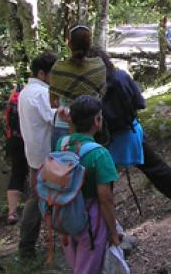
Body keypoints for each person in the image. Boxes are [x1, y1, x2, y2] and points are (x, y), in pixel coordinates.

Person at [92, 48, 171, 205]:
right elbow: (140, 103)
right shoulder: (121, 77)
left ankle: (102, 222)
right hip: (130, 134)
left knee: (104, 182)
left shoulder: (89, 89)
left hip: (104, 142)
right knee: (156, 168)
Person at [58, 96, 121, 273]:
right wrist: (114, 233)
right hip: (90, 221)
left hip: (64, 216)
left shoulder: (61, 145)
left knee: (77, 264)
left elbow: (74, 139)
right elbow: (105, 200)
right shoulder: (100, 155)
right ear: (97, 120)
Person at [17, 52, 65, 259]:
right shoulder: (39, 93)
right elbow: (54, 117)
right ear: (42, 73)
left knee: (41, 197)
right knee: (39, 198)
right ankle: (27, 248)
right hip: (46, 155)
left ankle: (47, 243)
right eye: (53, 73)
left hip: (35, 153)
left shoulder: (27, 91)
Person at [50, 24, 107, 145]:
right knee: (92, 160)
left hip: (63, 126)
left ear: (69, 44)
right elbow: (102, 95)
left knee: (63, 162)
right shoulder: (99, 65)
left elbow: (53, 102)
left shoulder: (58, 68)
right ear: (89, 45)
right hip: (91, 127)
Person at [3, 85, 26, 226]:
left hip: (13, 139)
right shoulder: (30, 97)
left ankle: (12, 212)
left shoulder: (12, 101)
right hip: (27, 139)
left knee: (17, 173)